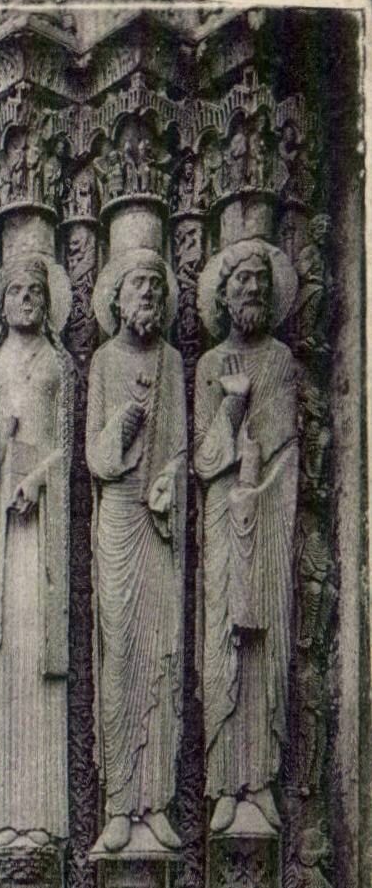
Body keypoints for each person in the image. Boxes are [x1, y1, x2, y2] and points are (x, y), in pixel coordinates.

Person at [195, 239, 299, 834]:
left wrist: (255, 485)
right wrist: (232, 415)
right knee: (222, 643)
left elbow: (282, 445)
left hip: (268, 516)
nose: (253, 290)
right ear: (224, 296)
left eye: (261, 281)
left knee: (264, 648)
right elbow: (207, 460)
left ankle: (259, 782)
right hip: (220, 518)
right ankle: (223, 786)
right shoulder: (210, 366)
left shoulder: (280, 360)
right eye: (242, 283)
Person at [86, 247, 187, 854]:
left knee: (163, 661)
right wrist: (123, 425)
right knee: (120, 657)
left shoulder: (173, 364)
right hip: (119, 520)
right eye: (137, 285)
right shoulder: (102, 362)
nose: (147, 293)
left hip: (160, 522)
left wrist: (170, 479)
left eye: (156, 285)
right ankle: (120, 803)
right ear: (117, 299)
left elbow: (179, 446)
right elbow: (95, 458)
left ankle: (158, 802)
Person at [0, 253, 74, 847]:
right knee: (8, 663)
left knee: (38, 656)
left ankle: (41, 816)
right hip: (3, 542)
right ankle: (4, 815)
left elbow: (65, 444)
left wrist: (38, 477)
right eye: (17, 291)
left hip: (43, 534)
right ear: (2, 304)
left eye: (37, 292)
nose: (28, 299)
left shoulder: (58, 366)